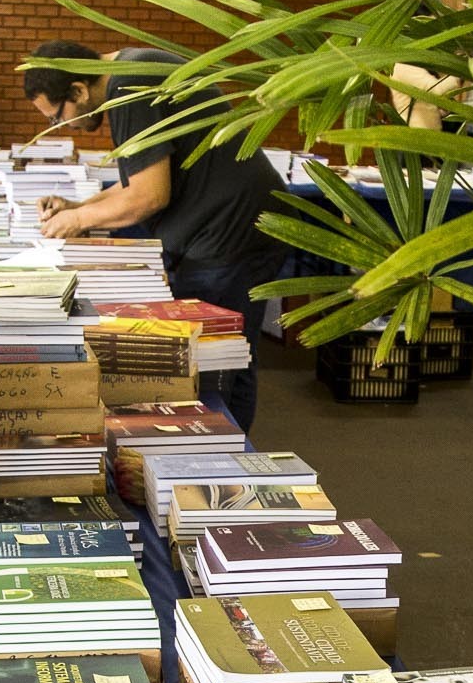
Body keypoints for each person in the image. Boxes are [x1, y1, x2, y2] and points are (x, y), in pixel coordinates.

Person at [23, 40, 284, 431]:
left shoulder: (130, 87)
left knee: (216, 365)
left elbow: (149, 196)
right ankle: (222, 451)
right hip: (227, 228)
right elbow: (139, 180)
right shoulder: (132, 70)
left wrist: (77, 223)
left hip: (228, 235)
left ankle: (221, 461)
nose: (61, 127)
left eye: (58, 118)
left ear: (78, 90)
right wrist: (79, 208)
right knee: (227, 357)